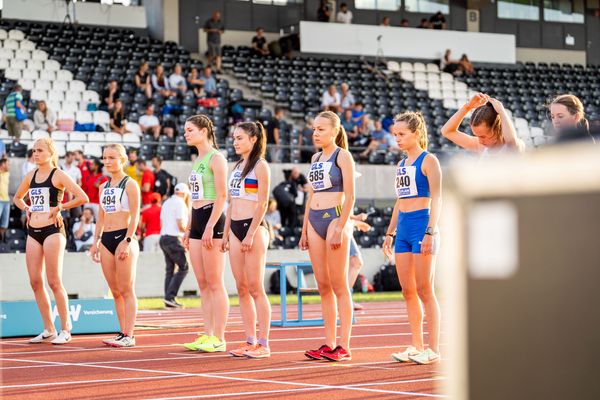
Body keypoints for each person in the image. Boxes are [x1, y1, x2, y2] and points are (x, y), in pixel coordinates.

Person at [13, 138, 89, 345]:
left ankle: (66, 328)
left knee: (54, 281)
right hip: (33, 231)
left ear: (51, 152)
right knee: (35, 281)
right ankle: (49, 328)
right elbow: (17, 198)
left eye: (39, 150)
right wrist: (27, 208)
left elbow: (83, 197)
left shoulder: (59, 174)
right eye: (34, 150)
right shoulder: (31, 175)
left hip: (53, 230)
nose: (35, 154)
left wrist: (61, 207)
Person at [382, 112, 442, 365]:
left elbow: (438, 198)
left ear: (416, 134)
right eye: (395, 134)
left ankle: (433, 348)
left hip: (422, 225)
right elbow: (400, 201)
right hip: (404, 228)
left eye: (401, 134)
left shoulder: (429, 161)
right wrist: (389, 232)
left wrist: (430, 230)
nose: (397, 138)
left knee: (424, 289)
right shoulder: (401, 165)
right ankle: (417, 346)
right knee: (408, 291)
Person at [301, 111, 355, 362]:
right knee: (323, 285)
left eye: (321, 129)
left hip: (334, 219)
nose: (316, 133)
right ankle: (329, 343)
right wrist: (304, 229)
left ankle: (343, 346)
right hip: (313, 220)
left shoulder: (342, 156)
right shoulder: (314, 158)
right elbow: (311, 196)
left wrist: (340, 226)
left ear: (334, 131)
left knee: (338, 284)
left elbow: (351, 197)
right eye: (314, 129)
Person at [221, 121, 271, 359]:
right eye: (234, 138)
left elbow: (262, 203)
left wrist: (250, 233)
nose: (235, 142)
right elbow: (231, 203)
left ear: (253, 139)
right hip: (235, 230)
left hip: (254, 229)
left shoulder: (260, 166)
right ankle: (249, 340)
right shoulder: (236, 166)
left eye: (240, 138)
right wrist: (226, 232)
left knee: (255, 287)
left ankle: (263, 343)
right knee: (241, 288)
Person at [181, 115, 229, 353]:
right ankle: (208, 333)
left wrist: (210, 225)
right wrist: (190, 228)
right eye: (185, 131)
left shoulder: (216, 158)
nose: (186, 134)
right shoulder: (197, 159)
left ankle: (219, 336)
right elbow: (194, 197)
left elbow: (222, 195)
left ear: (203, 131)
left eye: (190, 130)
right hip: (198, 219)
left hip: (213, 218)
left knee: (215, 281)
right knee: (202, 282)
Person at [90, 143, 141, 347]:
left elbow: (136, 214)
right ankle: (122, 332)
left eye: (112, 157)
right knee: (115, 290)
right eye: (105, 157)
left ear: (122, 159)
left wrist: (127, 241)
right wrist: (96, 241)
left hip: (124, 238)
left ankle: (130, 335)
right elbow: (101, 217)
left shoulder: (130, 184)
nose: (107, 161)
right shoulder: (103, 186)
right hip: (107, 240)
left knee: (127, 288)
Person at [441, 93, 525, 154]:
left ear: (496, 128)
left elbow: (511, 141)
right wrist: (467, 107)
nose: (480, 141)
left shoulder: (514, 146)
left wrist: (501, 111)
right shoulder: (480, 145)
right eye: (477, 136)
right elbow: (447, 131)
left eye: (483, 136)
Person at [159, 183, 190, 308]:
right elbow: (180, 224)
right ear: (184, 193)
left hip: (164, 237)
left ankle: (168, 298)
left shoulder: (167, 202)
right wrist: (189, 232)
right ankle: (170, 297)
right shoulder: (180, 203)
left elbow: (161, 223)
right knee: (184, 267)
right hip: (173, 238)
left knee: (170, 270)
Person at [348, 212, 371, 311]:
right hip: (341, 229)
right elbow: (338, 212)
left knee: (349, 266)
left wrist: (357, 223)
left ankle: (345, 300)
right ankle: (344, 300)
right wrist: (357, 220)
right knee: (356, 262)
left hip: (341, 227)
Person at [0, 158, 10, 241]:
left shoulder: (7, 174)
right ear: (2, 165)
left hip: (6, 201)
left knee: (4, 224)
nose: (9, 166)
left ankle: (2, 241)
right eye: (7, 164)